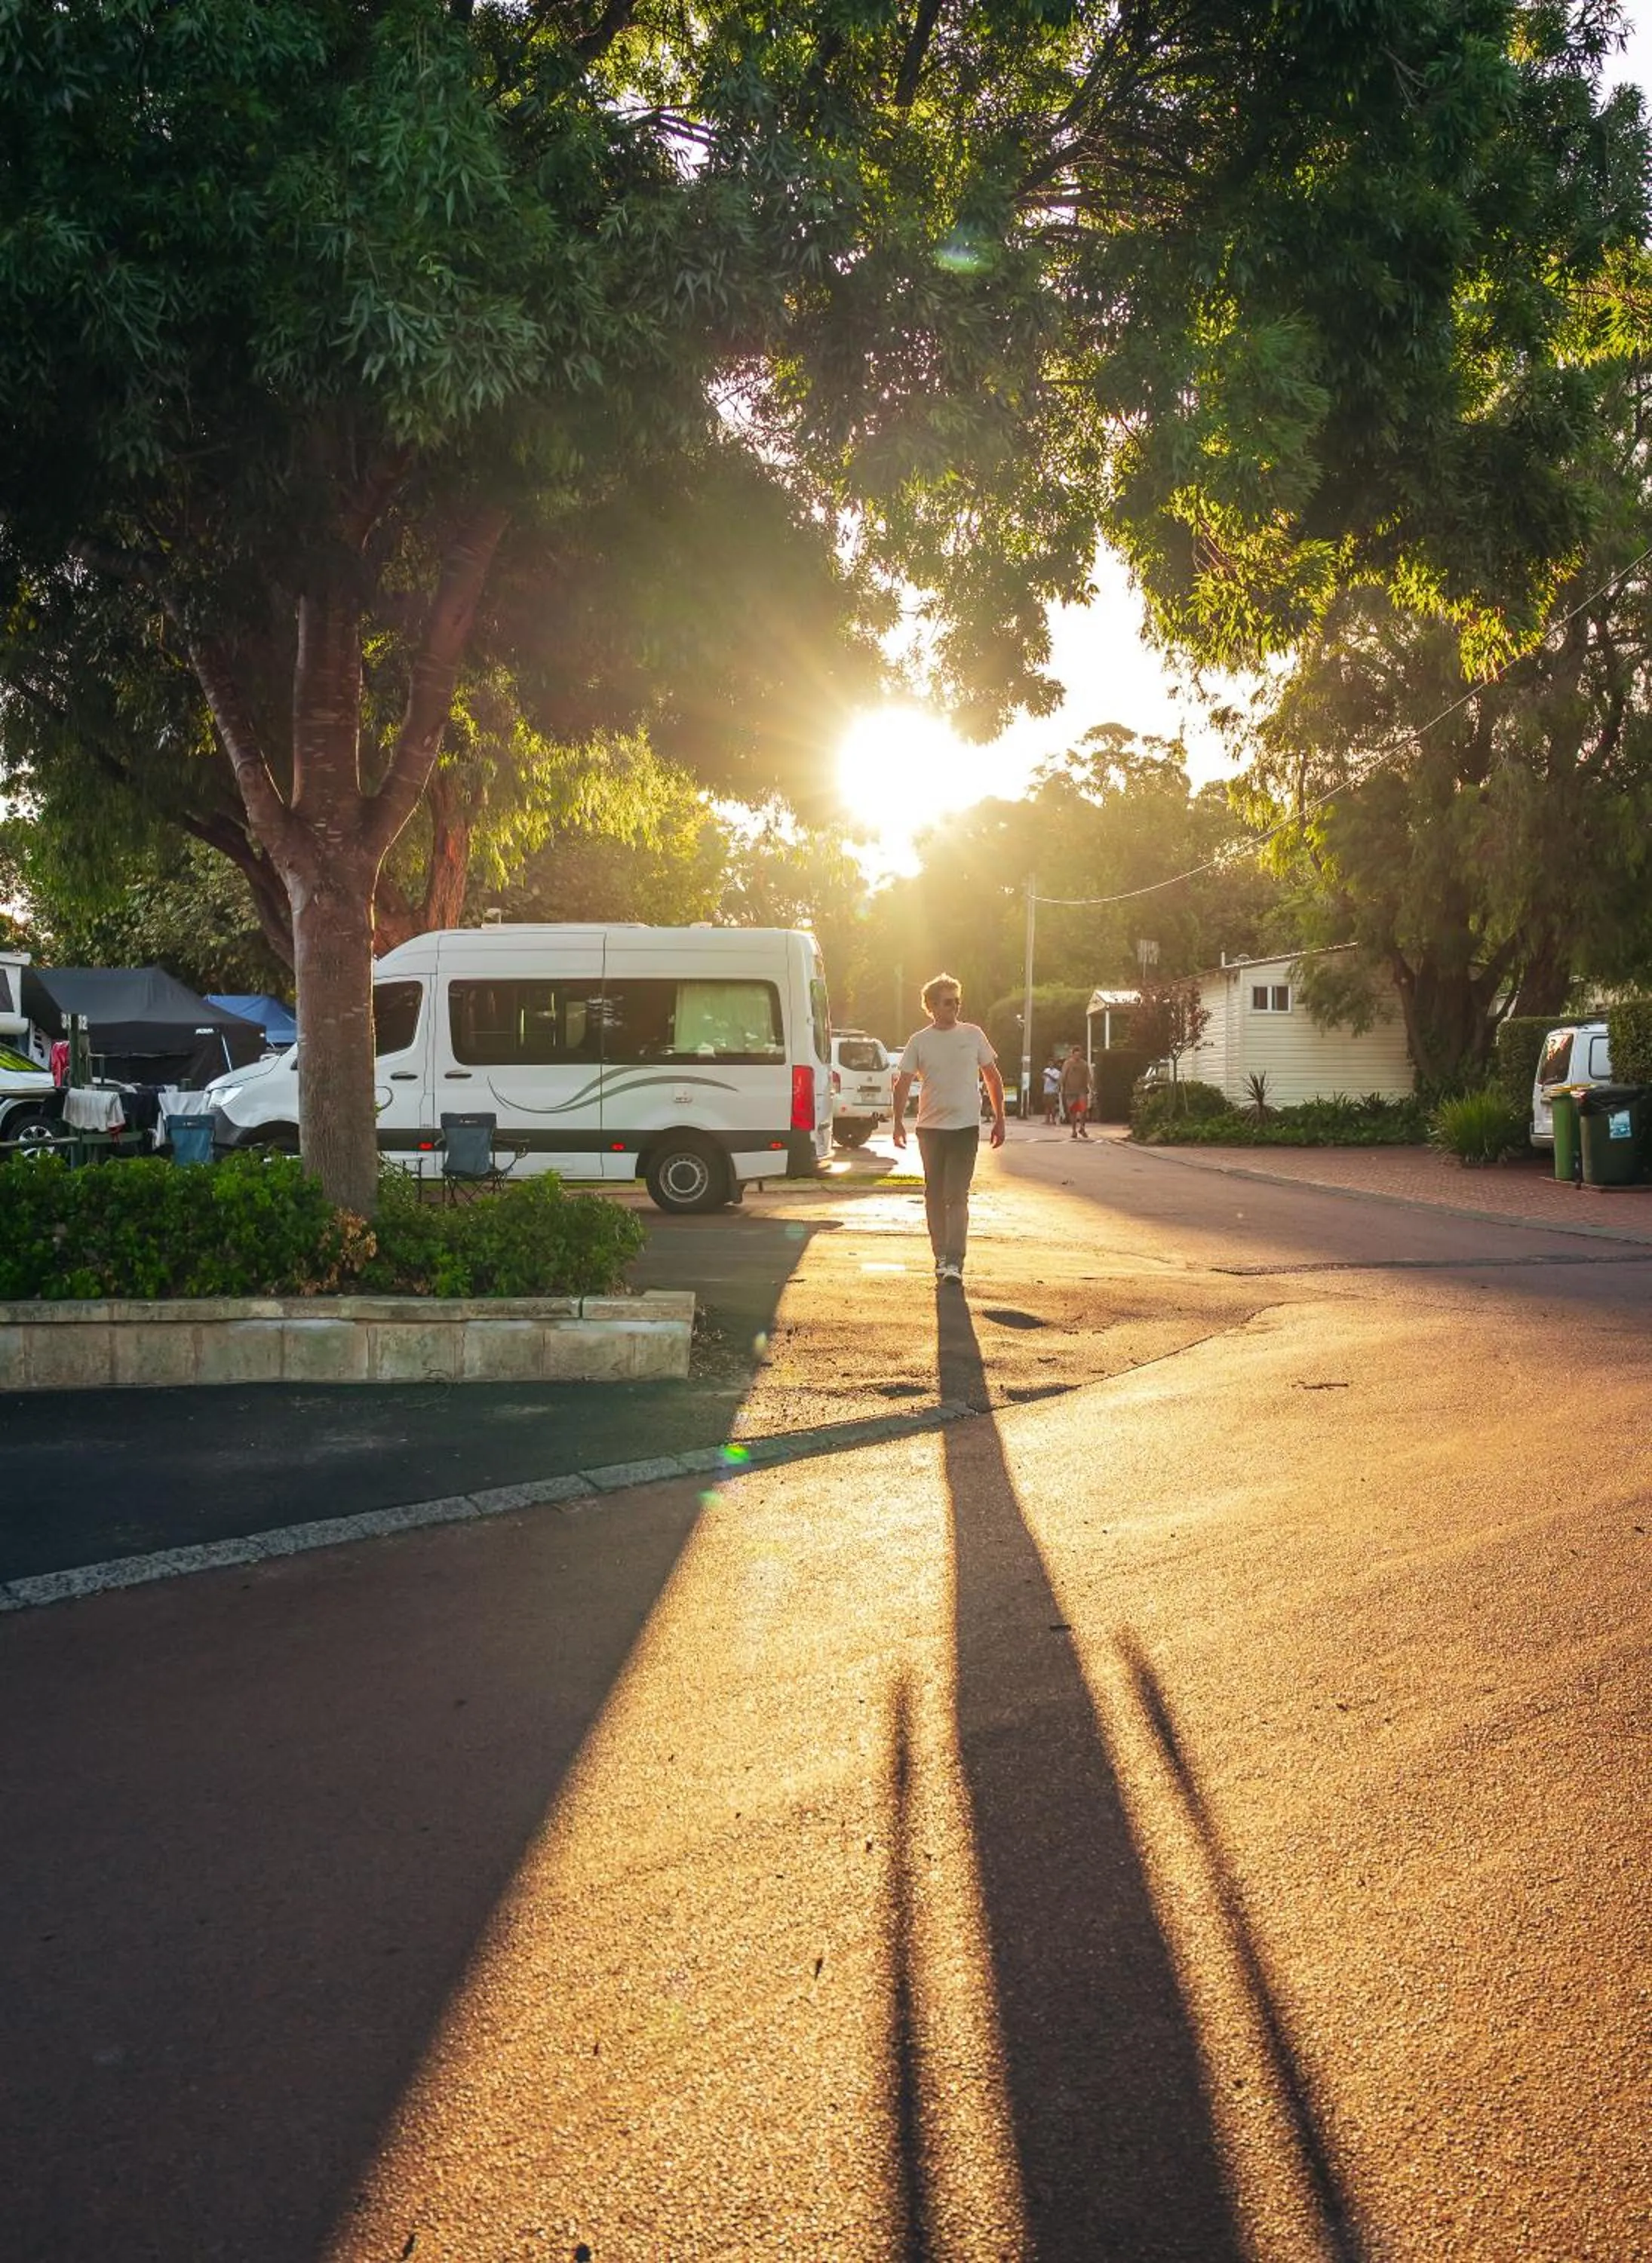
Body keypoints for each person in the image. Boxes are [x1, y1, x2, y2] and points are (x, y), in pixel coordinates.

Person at [892, 974, 1006, 1286]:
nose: (954, 1007)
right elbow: (902, 1084)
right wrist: (898, 1122)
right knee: (934, 1194)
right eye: (947, 1002)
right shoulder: (919, 1041)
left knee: (957, 1195)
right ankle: (940, 1255)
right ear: (931, 1006)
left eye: (957, 1001)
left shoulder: (973, 1035)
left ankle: (955, 1261)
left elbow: (993, 1078)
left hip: (965, 1128)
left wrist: (1000, 1119)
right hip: (930, 1129)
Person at [1061, 1044, 1092, 1139]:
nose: (1078, 1056)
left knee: (1083, 1110)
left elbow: (1088, 1076)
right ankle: (1074, 1130)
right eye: (1076, 1055)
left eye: (1079, 1054)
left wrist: (1091, 1085)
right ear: (1073, 1054)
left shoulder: (1084, 1064)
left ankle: (1082, 1128)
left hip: (1082, 1090)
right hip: (1070, 1091)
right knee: (1073, 1112)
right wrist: (1062, 1087)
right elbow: (1063, 1076)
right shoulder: (1068, 1063)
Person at [1042, 1055, 1061, 1125]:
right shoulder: (1046, 1070)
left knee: (1052, 1106)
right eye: (1049, 1063)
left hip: (1053, 1091)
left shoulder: (1057, 1072)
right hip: (1046, 1090)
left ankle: (1053, 1120)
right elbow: (1044, 1078)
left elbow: (1056, 1080)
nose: (1050, 1064)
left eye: (1052, 1063)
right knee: (1046, 1106)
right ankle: (1047, 1120)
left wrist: (1049, 1076)